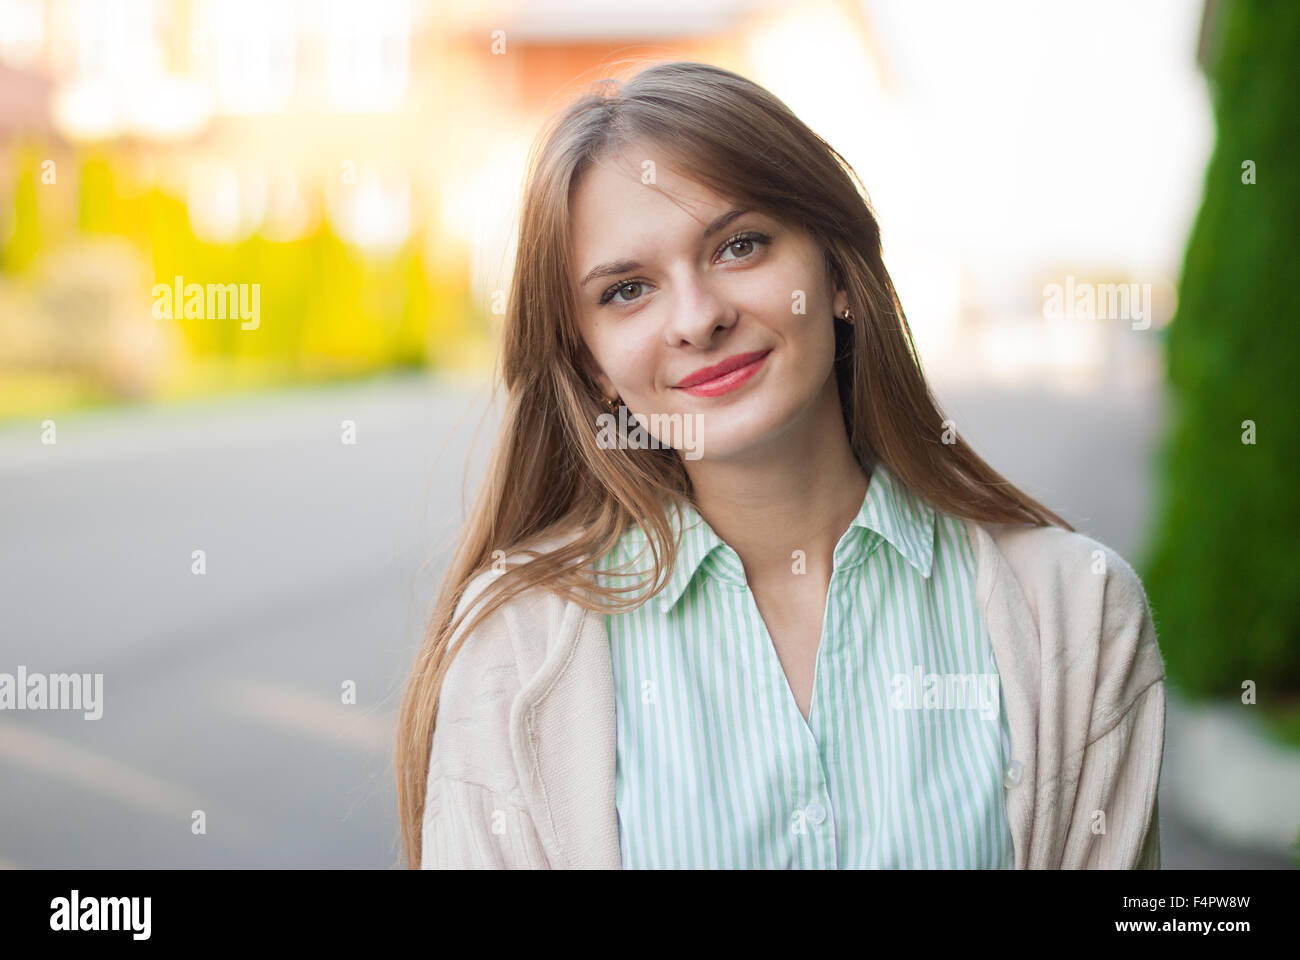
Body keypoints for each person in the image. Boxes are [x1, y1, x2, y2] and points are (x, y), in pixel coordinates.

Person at [396, 60, 1166, 869]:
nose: (697, 319)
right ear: (592, 365)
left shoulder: (1075, 613)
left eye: (739, 246)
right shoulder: (511, 650)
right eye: (627, 290)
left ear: (837, 273)